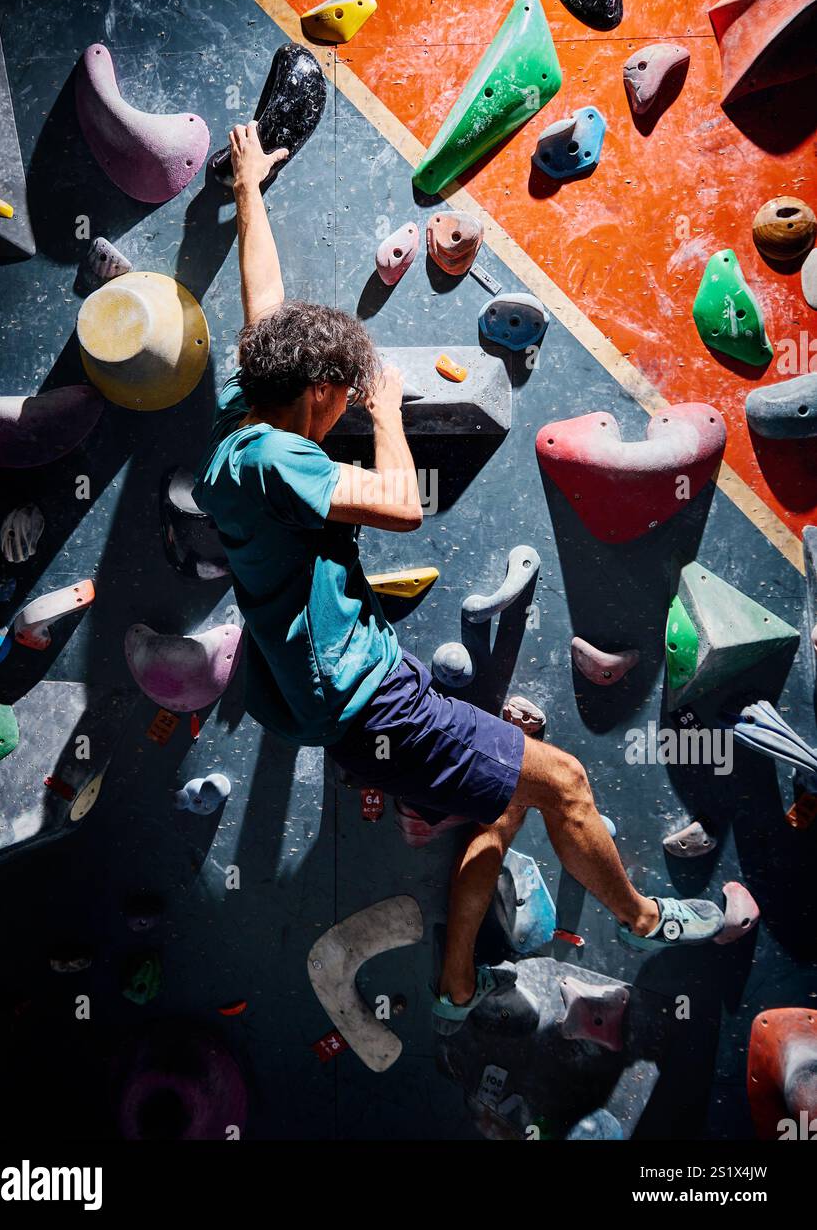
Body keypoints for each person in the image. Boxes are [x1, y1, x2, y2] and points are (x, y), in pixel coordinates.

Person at [193, 122, 726, 1031]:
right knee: (562, 785)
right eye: (340, 395)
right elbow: (402, 503)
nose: (344, 408)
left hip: (342, 700)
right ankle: (644, 919)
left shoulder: (246, 430)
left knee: (505, 805)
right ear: (315, 394)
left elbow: (264, 312)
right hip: (370, 703)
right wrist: (389, 409)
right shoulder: (286, 461)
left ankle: (452, 984)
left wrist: (250, 188)